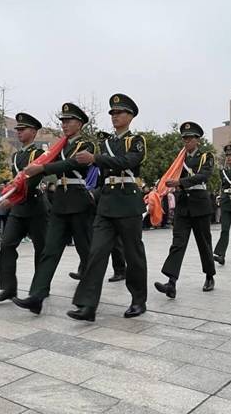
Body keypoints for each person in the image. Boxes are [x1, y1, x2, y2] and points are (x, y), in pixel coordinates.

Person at [67, 93, 147, 321]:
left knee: (133, 255)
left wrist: (95, 159)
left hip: (128, 202)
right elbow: (103, 177)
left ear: (130, 116)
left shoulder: (136, 141)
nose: (114, 116)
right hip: (107, 204)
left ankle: (138, 300)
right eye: (112, 112)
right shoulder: (105, 144)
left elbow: (127, 162)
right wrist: (93, 194)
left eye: (119, 112)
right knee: (96, 253)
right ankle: (87, 305)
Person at [12, 103, 95, 313]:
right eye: (63, 121)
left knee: (86, 252)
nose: (64, 125)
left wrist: (42, 167)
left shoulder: (87, 145)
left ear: (80, 124)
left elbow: (72, 164)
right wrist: (19, 182)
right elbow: (44, 166)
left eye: (68, 121)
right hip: (60, 202)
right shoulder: (58, 147)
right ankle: (37, 296)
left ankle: (88, 299)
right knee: (49, 250)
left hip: (79, 200)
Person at [0, 113, 48, 302]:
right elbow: (16, 180)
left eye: (23, 129)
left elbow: (33, 181)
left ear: (34, 132)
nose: (19, 132)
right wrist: (10, 195)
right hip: (19, 209)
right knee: (7, 244)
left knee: (41, 249)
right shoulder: (16, 156)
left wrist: (12, 199)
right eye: (18, 129)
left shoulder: (38, 155)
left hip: (36, 207)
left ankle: (40, 288)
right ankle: (8, 288)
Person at [154, 121, 216, 298]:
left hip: (199, 204)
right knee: (178, 243)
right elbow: (171, 175)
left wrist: (180, 182)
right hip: (183, 206)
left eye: (190, 138)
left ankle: (209, 276)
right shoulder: (179, 160)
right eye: (184, 138)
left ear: (197, 140)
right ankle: (171, 282)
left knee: (204, 243)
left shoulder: (206, 157)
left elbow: (203, 176)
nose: (187, 141)